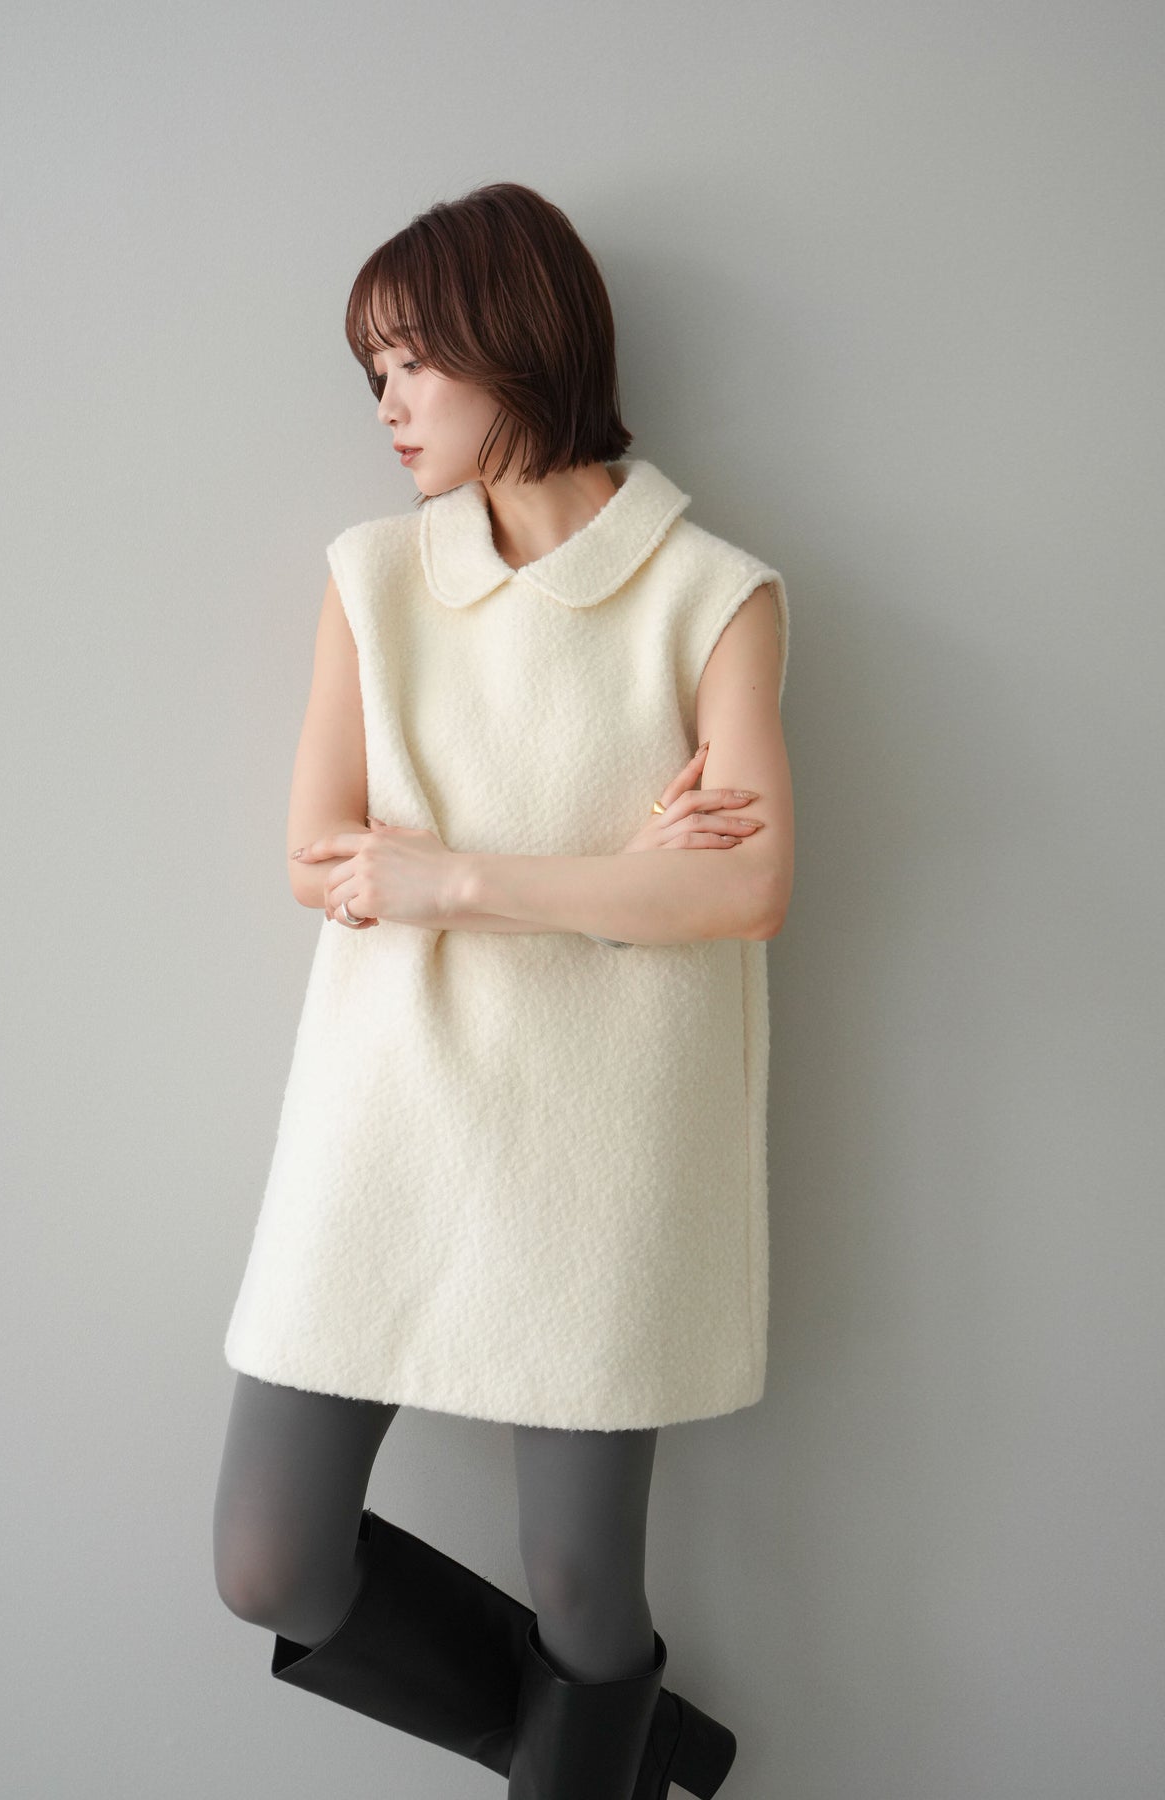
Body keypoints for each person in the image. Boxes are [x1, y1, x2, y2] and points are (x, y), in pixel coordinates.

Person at [212, 181, 793, 1799]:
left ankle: (600, 1743)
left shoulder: (712, 593)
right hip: (386, 1115)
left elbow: (743, 888)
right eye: (372, 374)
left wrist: (459, 881)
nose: (386, 405)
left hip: (606, 1141)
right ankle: (625, 1755)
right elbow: (320, 854)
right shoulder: (374, 576)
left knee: (583, 1593)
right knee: (268, 1557)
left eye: (409, 363)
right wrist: (618, 885)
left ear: (512, 340)